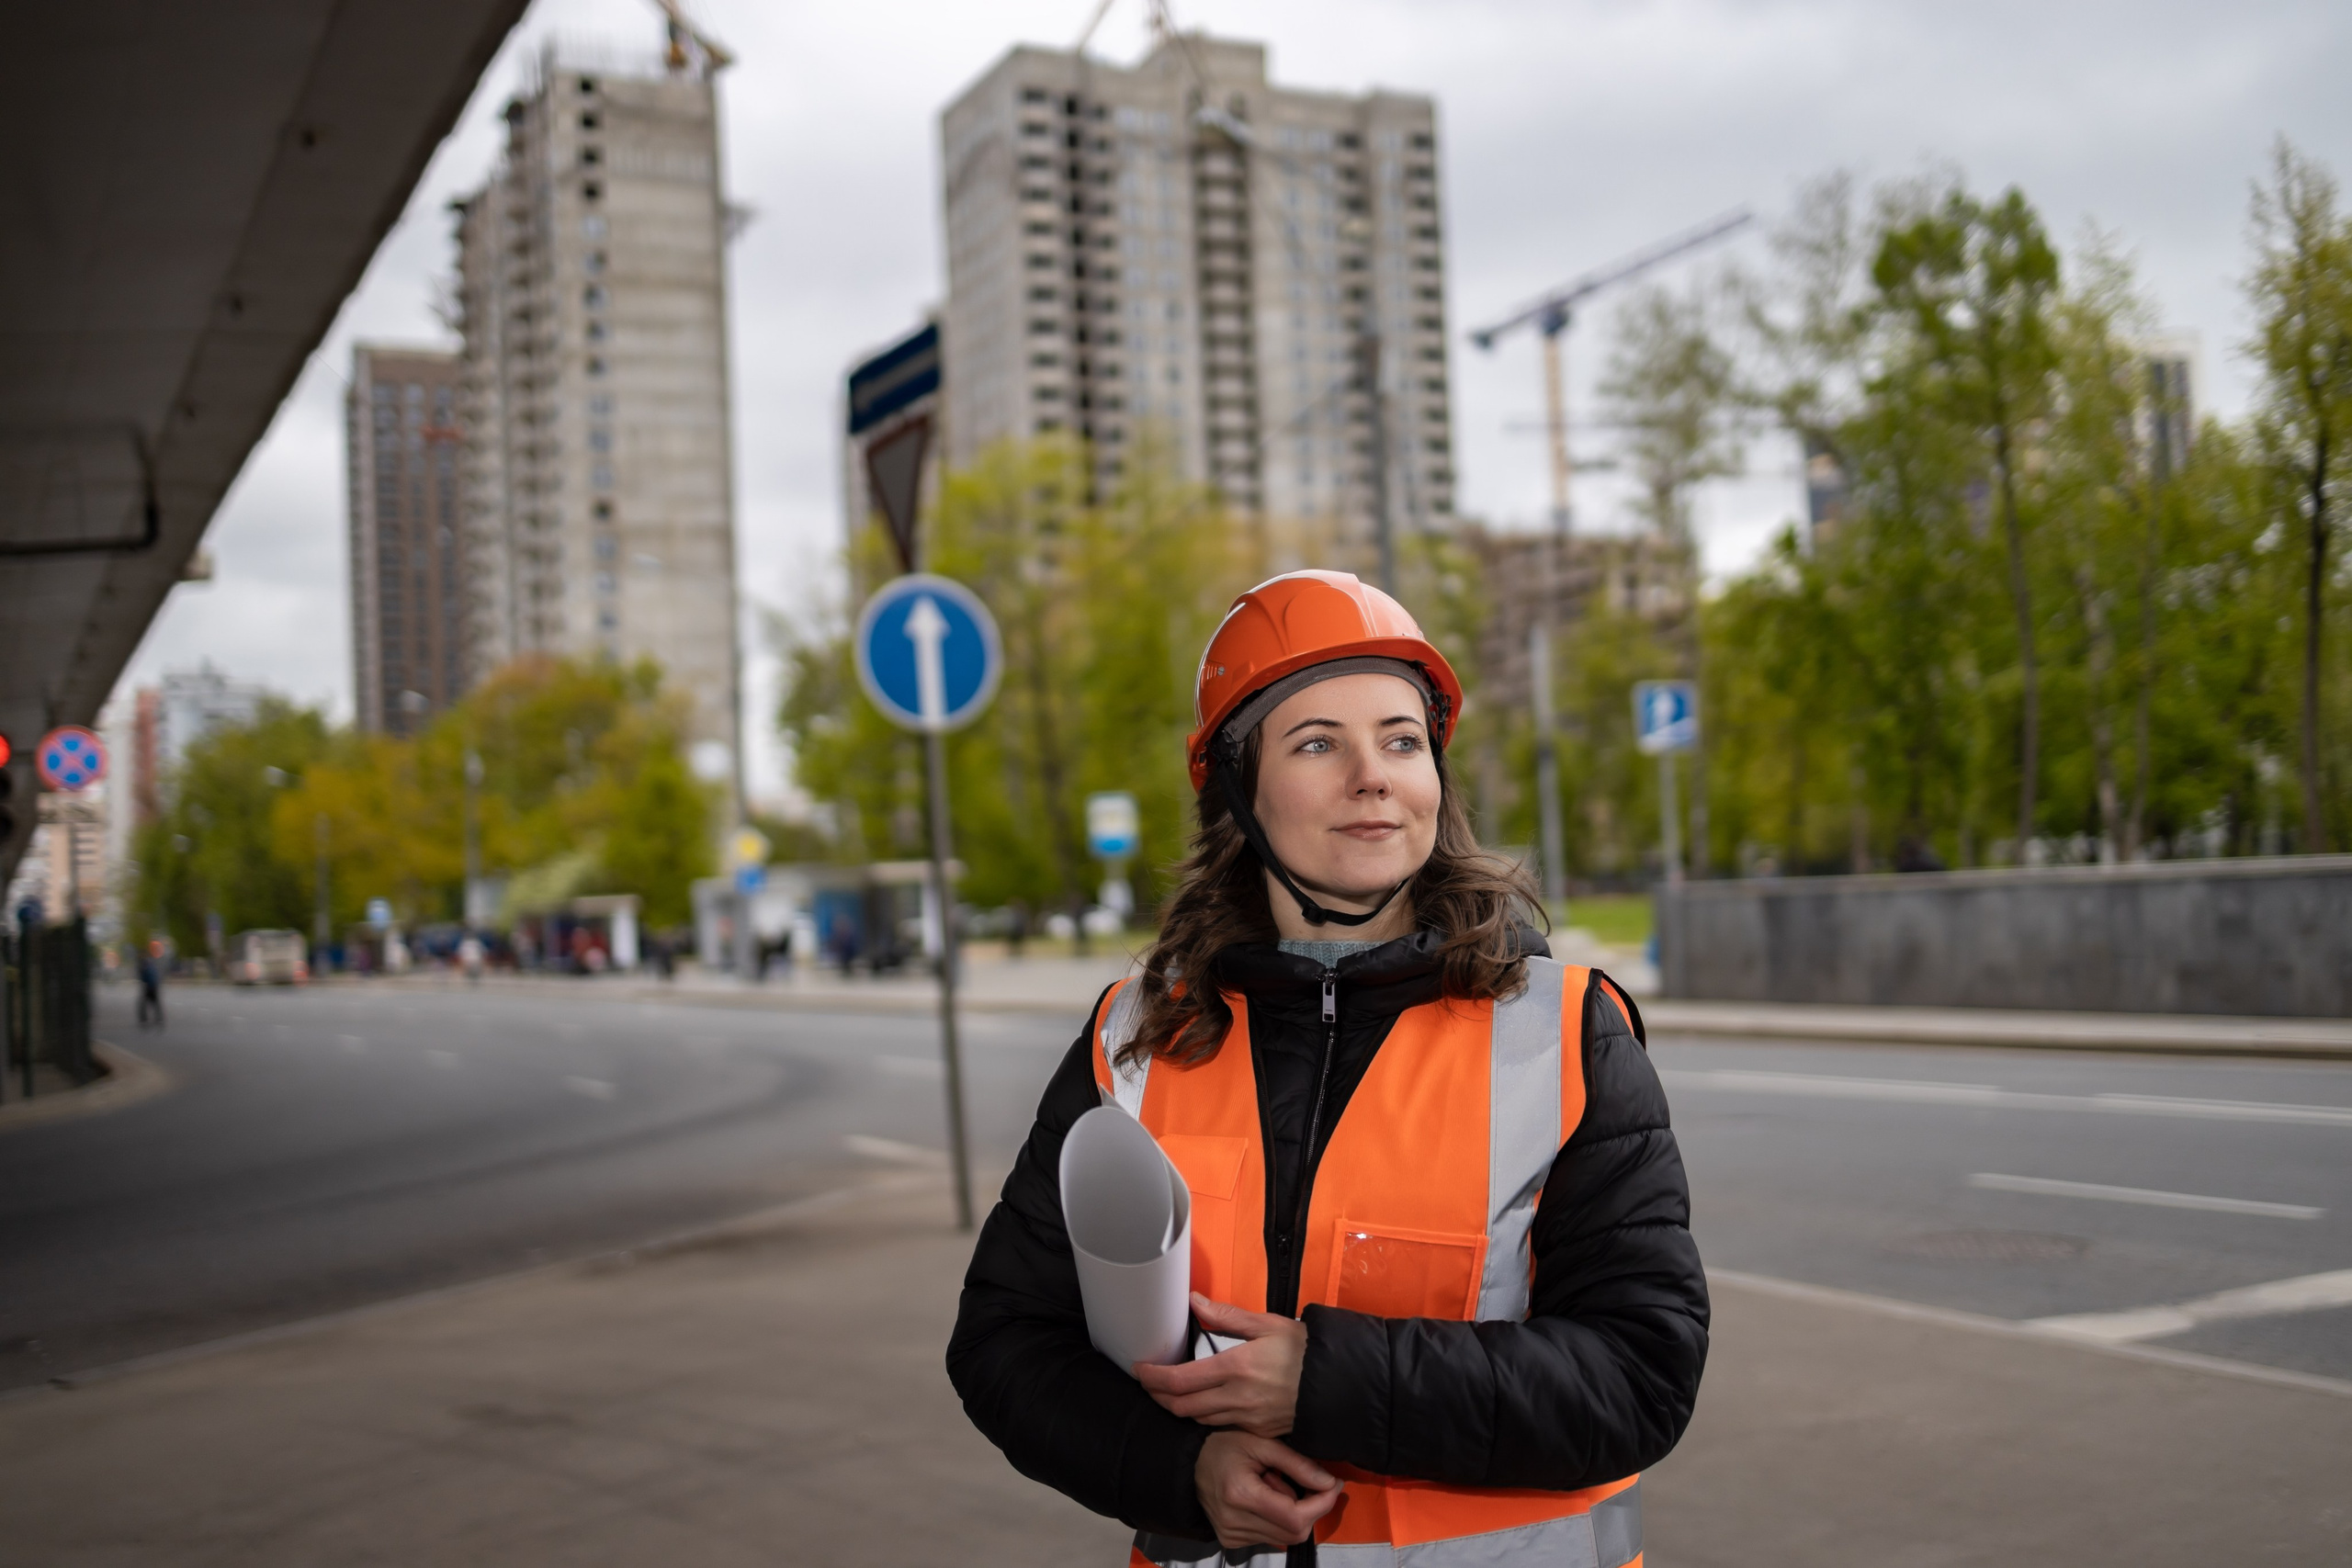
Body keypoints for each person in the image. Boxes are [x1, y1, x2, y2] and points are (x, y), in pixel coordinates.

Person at [948, 571, 1707, 1566]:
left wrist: (1326, 1383)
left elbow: (1641, 1374)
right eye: (1317, 743)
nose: (1372, 775)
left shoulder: (1565, 1033)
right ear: (1236, 790)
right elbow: (1005, 1343)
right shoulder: (1133, 1037)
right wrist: (1184, 1471)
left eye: (1401, 740)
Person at [136, 942, 165, 1029]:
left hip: (148, 985)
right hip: (153, 985)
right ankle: (158, 1019)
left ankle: (144, 1019)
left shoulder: (145, 962)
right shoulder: (151, 961)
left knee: (145, 1003)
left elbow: (143, 974)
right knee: (154, 1003)